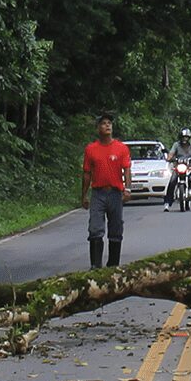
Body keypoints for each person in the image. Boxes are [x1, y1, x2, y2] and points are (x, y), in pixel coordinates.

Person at [79, 113, 131, 268]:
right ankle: (95, 266)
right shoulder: (91, 149)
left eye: (109, 123)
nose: (107, 126)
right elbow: (87, 173)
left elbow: (127, 169)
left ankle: (113, 265)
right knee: (95, 229)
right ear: (98, 128)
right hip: (98, 193)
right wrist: (84, 195)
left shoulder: (121, 148)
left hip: (115, 193)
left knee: (116, 229)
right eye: (103, 123)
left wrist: (127, 189)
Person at [164, 128, 191, 211]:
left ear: (189, 138)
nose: (185, 139)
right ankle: (167, 203)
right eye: (183, 137)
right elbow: (171, 154)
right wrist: (169, 158)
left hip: (189, 167)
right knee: (172, 181)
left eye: (186, 137)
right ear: (180, 137)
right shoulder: (176, 145)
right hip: (178, 168)